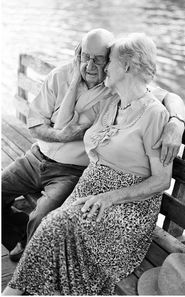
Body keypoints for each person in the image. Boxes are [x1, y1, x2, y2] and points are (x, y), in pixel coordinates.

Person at [3, 32, 174, 295]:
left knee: (49, 222)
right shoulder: (112, 99)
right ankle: (25, 279)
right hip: (72, 178)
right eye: (87, 58)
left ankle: (20, 289)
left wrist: (177, 122)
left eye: (107, 61)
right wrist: (74, 79)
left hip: (113, 198)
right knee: (53, 225)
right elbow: (57, 126)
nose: (101, 67)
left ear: (125, 67)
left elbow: (162, 178)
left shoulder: (145, 108)